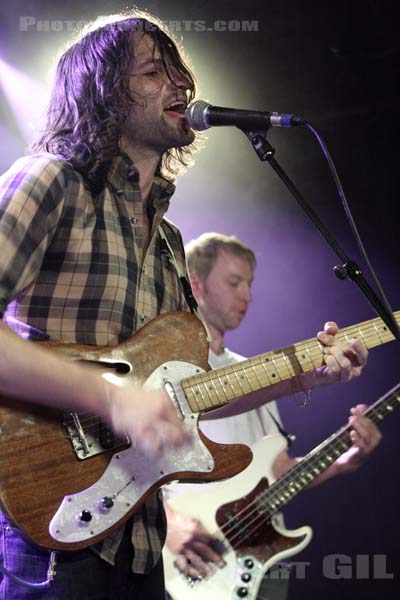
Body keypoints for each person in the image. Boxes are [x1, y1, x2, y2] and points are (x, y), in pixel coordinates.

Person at [0, 10, 372, 599]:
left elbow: (191, 389)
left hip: (142, 531)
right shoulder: (50, 181)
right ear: (102, 94)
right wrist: (111, 400)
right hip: (52, 511)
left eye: (180, 72)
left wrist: (309, 371)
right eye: (154, 72)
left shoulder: (169, 239)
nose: (182, 87)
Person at [164, 233, 381, 600]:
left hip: (258, 560)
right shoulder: (169, 371)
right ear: (196, 284)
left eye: (249, 284)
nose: (247, 295)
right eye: (234, 282)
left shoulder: (258, 373)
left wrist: (346, 461)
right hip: (188, 554)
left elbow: (276, 470)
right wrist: (167, 525)